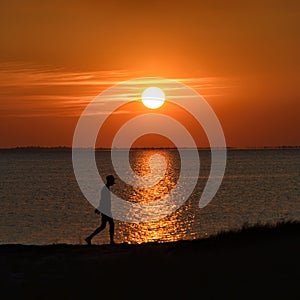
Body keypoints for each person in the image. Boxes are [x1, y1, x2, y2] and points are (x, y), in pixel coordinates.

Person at [85, 175, 116, 245]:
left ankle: (89, 238)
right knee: (110, 224)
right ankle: (111, 241)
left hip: (106, 210)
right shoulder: (105, 189)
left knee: (103, 226)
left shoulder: (106, 189)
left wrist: (99, 209)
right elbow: (103, 201)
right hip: (106, 211)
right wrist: (99, 209)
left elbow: (103, 201)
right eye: (112, 180)